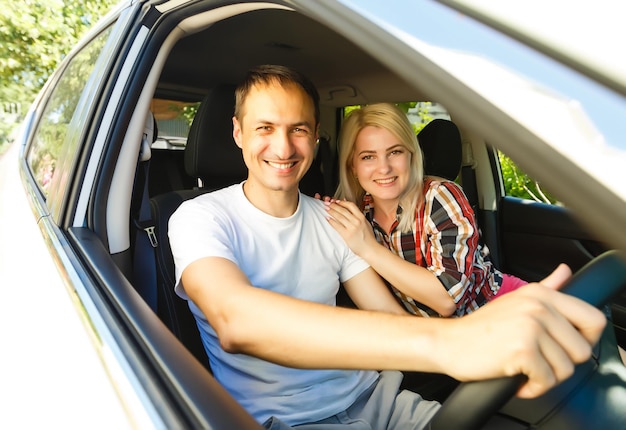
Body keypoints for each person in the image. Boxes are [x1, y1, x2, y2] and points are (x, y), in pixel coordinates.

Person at [168, 65, 606, 430]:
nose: (283, 147)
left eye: (297, 129)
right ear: (238, 132)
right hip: (284, 421)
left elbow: (387, 316)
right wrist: (452, 343)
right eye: (265, 128)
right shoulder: (200, 218)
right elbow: (236, 321)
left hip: (380, 400)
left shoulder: (333, 219)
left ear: (316, 136)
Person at [325, 103, 525, 318]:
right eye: (368, 157)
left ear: (411, 155)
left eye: (395, 152)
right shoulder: (356, 214)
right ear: (352, 167)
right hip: (437, 335)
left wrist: (368, 248)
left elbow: (447, 299)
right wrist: (320, 214)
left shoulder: (440, 196)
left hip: (499, 309)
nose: (384, 168)